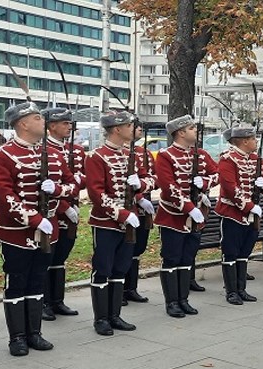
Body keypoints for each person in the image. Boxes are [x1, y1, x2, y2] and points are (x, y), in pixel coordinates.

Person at [0, 102, 78, 356]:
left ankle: (34, 333)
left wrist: (57, 192)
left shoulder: (55, 155)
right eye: (38, 118)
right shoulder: (2, 155)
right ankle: (17, 337)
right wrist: (35, 219)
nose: (43, 121)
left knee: (37, 280)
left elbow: (72, 186)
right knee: (17, 281)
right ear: (23, 123)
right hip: (16, 232)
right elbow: (3, 195)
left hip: (49, 230)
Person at [85, 111, 150, 335]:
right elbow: (96, 193)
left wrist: (141, 183)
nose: (134, 129)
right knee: (102, 269)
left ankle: (115, 315)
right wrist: (121, 214)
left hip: (130, 222)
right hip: (106, 222)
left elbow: (152, 179)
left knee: (120, 269)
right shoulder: (96, 156)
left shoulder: (134, 155)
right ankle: (101, 318)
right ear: (116, 129)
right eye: (129, 125)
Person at [154, 114, 218, 317]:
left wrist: (205, 183)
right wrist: (190, 208)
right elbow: (168, 187)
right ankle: (171, 302)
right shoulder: (166, 156)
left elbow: (217, 174)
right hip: (173, 217)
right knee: (171, 259)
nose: (195, 131)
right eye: (192, 129)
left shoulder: (201, 154)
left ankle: (183, 299)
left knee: (187, 258)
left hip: (195, 218)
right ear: (181, 132)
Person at [214, 125, 263, 304]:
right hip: (232, 213)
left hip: (251, 215)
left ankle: (241, 289)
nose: (256, 142)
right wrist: (248, 206)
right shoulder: (227, 159)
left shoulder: (255, 159)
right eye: (253, 139)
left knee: (244, 252)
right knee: (230, 252)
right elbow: (230, 188)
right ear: (245, 141)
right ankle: (231, 291)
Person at [40, 108, 83, 321]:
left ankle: (57, 300)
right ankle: (44, 301)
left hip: (72, 207)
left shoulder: (76, 150)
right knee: (47, 257)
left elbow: (80, 180)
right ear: (52, 125)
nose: (69, 126)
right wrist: (64, 206)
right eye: (64, 123)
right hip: (53, 211)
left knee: (61, 257)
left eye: (69, 123)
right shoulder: (44, 149)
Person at [123, 130, 157, 305]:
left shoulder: (144, 153)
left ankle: (131, 288)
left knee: (138, 247)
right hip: (128, 206)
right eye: (134, 126)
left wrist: (145, 195)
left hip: (144, 207)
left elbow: (153, 178)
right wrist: (138, 198)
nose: (139, 130)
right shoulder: (118, 153)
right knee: (125, 248)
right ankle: (119, 289)